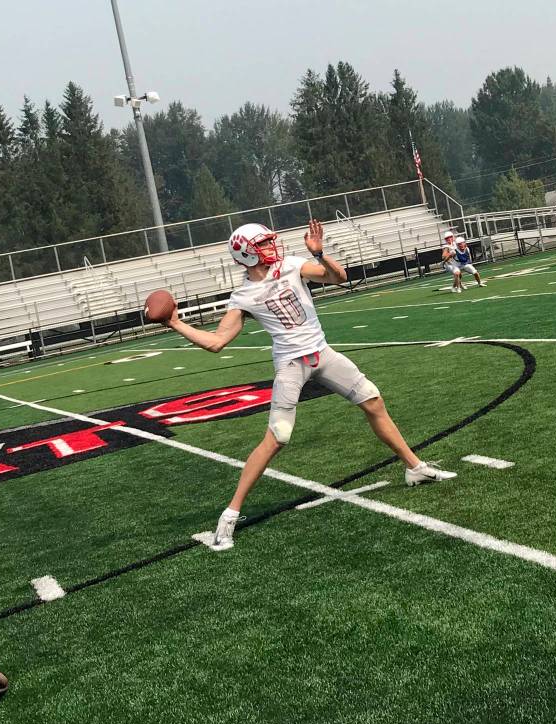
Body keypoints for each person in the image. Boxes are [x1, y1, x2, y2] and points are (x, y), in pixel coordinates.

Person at [158, 219, 456, 550]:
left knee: (373, 400)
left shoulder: (292, 265)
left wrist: (321, 254)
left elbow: (337, 277)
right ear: (246, 254)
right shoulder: (243, 294)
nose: (272, 247)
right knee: (277, 438)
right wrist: (175, 322)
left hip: (322, 353)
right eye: (263, 244)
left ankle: (414, 468)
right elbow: (216, 342)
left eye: (270, 241)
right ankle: (230, 514)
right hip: (290, 365)